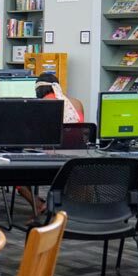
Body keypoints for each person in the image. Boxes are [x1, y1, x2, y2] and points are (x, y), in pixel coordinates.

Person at [19, 73, 85, 219]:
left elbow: (31, 138)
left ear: (38, 91)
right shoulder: (77, 103)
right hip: (77, 162)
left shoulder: (39, 106)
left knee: (17, 179)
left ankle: (38, 205)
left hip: (48, 163)